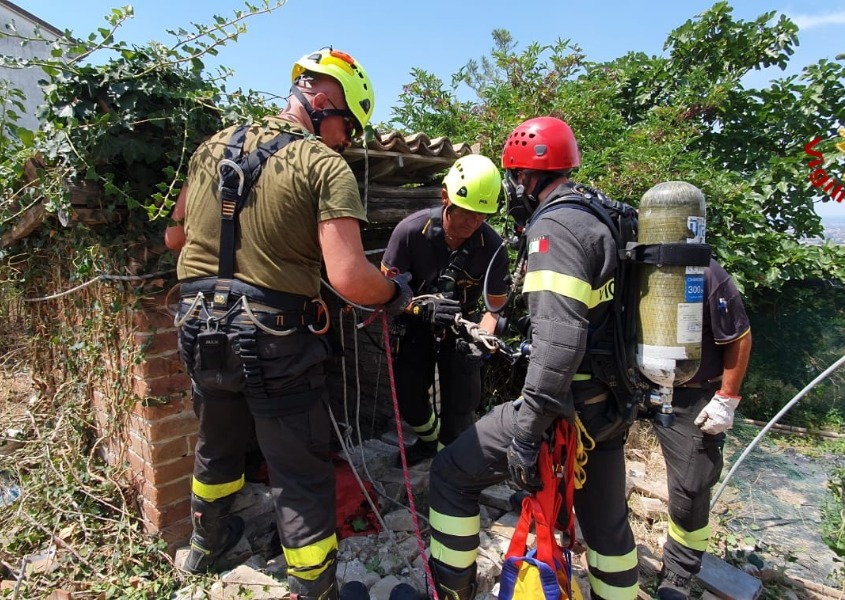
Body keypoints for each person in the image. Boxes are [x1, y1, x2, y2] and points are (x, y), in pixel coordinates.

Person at [166, 47, 413, 600]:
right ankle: (313, 585)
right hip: (273, 336)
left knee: (217, 441)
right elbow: (349, 276)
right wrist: (395, 294)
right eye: (347, 124)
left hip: (198, 327)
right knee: (299, 468)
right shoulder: (325, 167)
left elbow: (174, 239)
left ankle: (206, 544)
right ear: (322, 101)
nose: (346, 138)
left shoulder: (211, 147)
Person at [425, 117, 639, 600]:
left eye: (514, 177)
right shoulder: (600, 215)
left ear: (528, 177)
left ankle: (450, 589)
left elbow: (560, 343)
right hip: (608, 405)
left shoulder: (554, 229)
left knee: (451, 474)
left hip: (565, 406)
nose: (512, 189)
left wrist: (525, 433)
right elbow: (588, 316)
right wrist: (504, 328)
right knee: (607, 532)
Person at [380, 154, 509, 466]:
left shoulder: (492, 246)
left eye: (481, 215)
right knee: (409, 398)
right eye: (466, 212)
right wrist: (416, 308)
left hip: (462, 324)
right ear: (445, 197)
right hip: (414, 321)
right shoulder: (411, 233)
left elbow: (495, 307)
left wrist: (482, 338)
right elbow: (382, 292)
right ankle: (428, 442)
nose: (472, 222)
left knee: (461, 404)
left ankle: (452, 461)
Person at [654, 257, 752, 599]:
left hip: (691, 395)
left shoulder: (706, 274)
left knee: (691, 487)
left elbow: (739, 338)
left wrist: (726, 398)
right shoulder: (634, 269)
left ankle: (679, 572)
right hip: (637, 386)